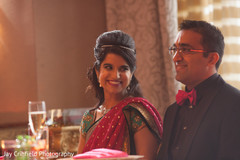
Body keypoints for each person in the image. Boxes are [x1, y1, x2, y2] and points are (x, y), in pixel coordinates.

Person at [159, 20, 240, 160]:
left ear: (211, 58)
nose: (175, 57)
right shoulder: (171, 111)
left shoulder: (234, 104)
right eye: (175, 49)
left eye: (185, 50)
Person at [77, 30, 163, 160]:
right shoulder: (89, 119)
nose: (115, 75)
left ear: (131, 74)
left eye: (123, 69)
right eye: (108, 67)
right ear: (97, 70)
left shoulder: (136, 114)